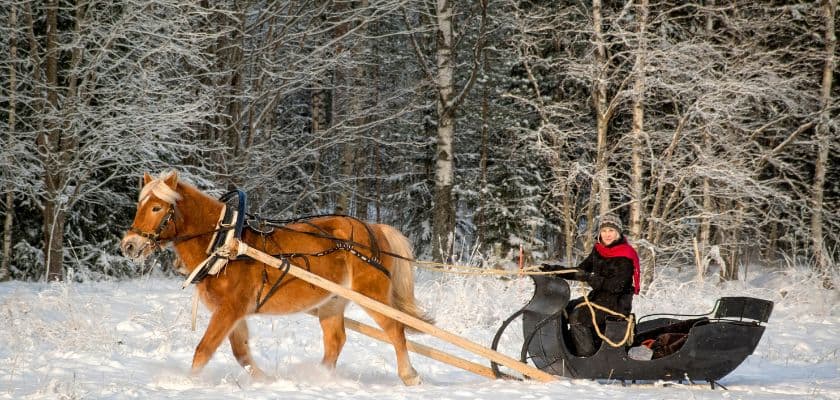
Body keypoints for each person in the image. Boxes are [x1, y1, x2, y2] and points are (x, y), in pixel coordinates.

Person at [542, 213, 640, 356]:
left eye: (611, 230)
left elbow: (616, 286)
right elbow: (581, 270)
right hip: (598, 299)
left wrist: (589, 278)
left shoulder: (625, 255)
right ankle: (565, 350)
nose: (607, 234)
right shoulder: (599, 250)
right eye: (604, 230)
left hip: (616, 304)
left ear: (618, 233)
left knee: (578, 316)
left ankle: (586, 356)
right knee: (564, 308)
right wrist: (553, 270)